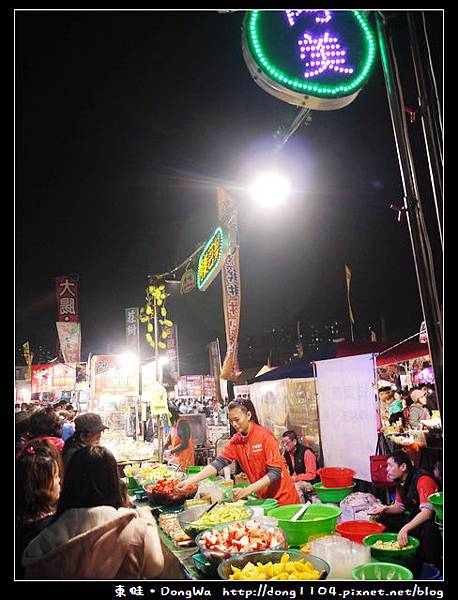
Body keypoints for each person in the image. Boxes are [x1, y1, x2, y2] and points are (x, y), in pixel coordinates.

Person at [21, 445, 164, 579]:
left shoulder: (40, 545)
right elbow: (155, 568)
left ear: (70, 482)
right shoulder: (134, 529)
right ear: (113, 483)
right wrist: (148, 520)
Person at [176, 398, 300, 506]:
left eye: (237, 419)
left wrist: (248, 490)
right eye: (231, 421)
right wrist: (190, 481)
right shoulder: (236, 441)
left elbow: (275, 472)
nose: (234, 424)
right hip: (265, 500)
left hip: (284, 500)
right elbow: (218, 464)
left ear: (249, 415)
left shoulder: (265, 436)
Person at [368, 450, 442, 570]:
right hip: (415, 518)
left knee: (428, 529)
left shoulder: (423, 479)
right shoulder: (400, 481)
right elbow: (400, 507)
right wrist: (384, 509)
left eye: (390, 465)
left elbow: (427, 513)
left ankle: (432, 565)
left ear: (403, 467)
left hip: (432, 522)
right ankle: (396, 552)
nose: (387, 469)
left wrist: (405, 528)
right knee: (384, 518)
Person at [16, 439, 63, 579]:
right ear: (41, 486)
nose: (59, 481)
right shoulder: (49, 529)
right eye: (55, 477)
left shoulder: (21, 517)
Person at [282, 431, 318, 502]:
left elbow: (312, 475)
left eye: (287, 442)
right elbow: (281, 466)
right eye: (283, 443)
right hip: (296, 480)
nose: (284, 445)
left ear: (294, 442)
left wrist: (295, 478)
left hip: (311, 483)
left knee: (295, 487)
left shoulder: (306, 452)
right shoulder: (286, 454)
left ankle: (300, 509)